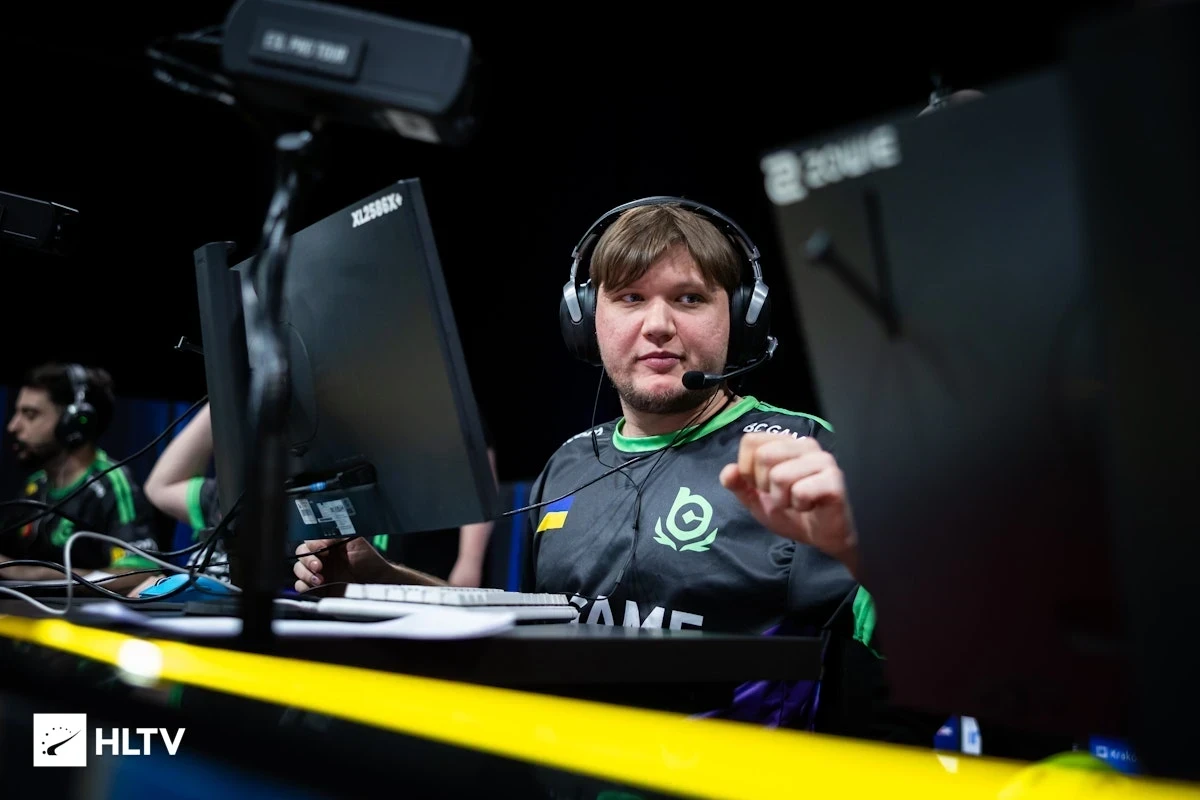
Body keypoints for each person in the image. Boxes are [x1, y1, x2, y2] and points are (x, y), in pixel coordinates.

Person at [291, 198, 935, 741]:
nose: (658, 325)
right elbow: (532, 627)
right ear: (585, 320)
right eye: (629, 297)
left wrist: (862, 550)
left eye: (689, 298)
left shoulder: (804, 453)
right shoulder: (570, 462)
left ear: (739, 317)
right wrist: (380, 580)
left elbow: (939, 646)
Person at [140, 400, 499, 590]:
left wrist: (469, 560)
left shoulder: (341, 515)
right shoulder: (235, 498)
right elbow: (160, 487)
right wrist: (224, 394)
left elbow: (475, 448)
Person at [1, 362, 158, 582]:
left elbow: (140, 574)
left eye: (30, 414)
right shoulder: (36, 485)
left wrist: (39, 575)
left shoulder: (113, 484)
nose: (13, 426)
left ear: (73, 422)